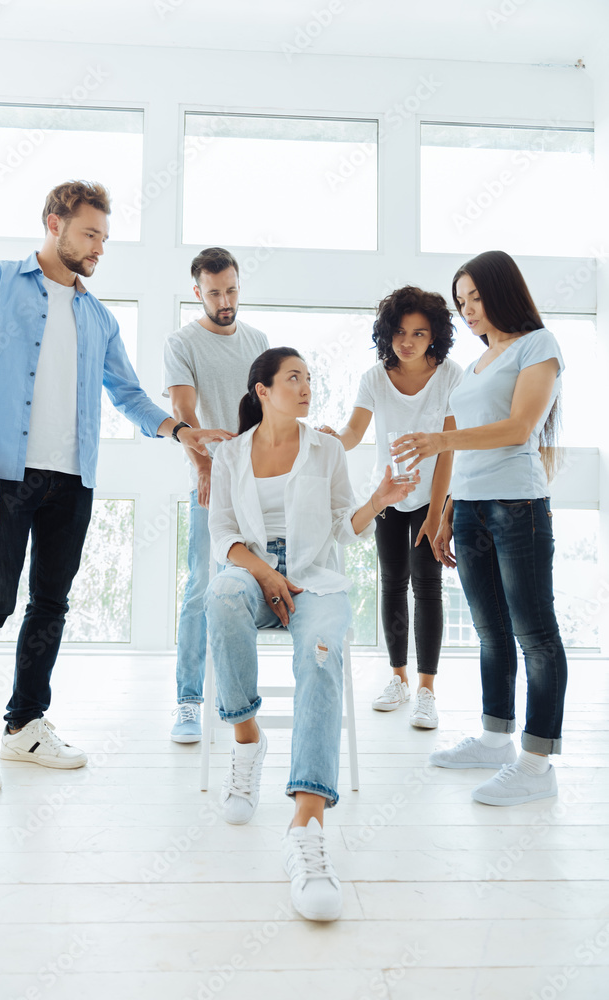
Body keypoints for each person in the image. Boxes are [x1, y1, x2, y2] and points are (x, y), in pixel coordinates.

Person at [0, 180, 231, 796]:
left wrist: (180, 430)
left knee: (51, 603)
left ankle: (24, 725)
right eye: (90, 233)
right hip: (6, 471)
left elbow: (125, 390)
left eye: (104, 235)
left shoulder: (96, 314)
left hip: (72, 480)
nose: (99, 246)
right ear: (54, 223)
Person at [204, 347, 418, 921]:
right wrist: (267, 575)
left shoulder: (326, 449)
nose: (305, 387)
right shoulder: (229, 456)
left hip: (316, 583)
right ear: (262, 390)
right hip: (252, 575)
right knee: (220, 596)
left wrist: (379, 501)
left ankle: (307, 828)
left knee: (322, 657)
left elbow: (343, 527)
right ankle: (247, 738)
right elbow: (223, 533)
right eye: (292, 378)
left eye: (309, 379)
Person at [392, 250, 567, 806]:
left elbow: (518, 428)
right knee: (491, 632)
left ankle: (536, 764)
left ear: (503, 291)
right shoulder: (476, 365)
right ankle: (496, 739)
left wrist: (439, 441)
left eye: (475, 297)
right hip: (469, 510)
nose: (467, 310)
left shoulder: (539, 346)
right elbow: (467, 452)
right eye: (461, 301)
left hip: (517, 507)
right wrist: (443, 512)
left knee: (535, 635)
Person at [319, 287, 462, 728]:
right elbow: (354, 433)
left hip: (432, 497)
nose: (408, 341)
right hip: (389, 496)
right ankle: (398, 678)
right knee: (392, 585)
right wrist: (330, 439)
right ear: (387, 333)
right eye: (400, 332)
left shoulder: (452, 376)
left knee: (428, 587)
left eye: (419, 333)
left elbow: (448, 451)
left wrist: (437, 513)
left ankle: (426, 690)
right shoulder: (375, 377)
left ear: (434, 335)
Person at [163, 248, 268, 743]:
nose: (224, 301)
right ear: (197, 292)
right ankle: (188, 700)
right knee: (202, 587)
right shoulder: (182, 343)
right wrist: (204, 466)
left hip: (259, 483)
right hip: (209, 479)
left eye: (230, 290)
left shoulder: (259, 341)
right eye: (213, 293)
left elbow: (271, 414)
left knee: (248, 587)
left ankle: (241, 703)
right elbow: (184, 414)